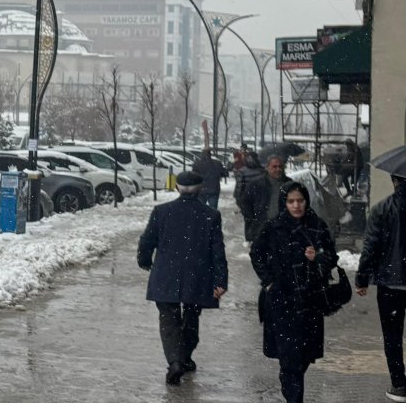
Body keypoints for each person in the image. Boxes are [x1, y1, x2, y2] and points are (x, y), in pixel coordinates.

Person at [137, 171, 228, 386]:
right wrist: (220, 280)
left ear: (177, 188)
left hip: (166, 273)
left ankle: (175, 361)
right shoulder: (210, 215)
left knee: (168, 319)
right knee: (191, 316)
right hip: (197, 275)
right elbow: (218, 251)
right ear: (200, 189)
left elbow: (147, 240)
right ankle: (185, 356)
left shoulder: (162, 211)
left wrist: (145, 261)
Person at [250, 182, 336, 403]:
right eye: (291, 201)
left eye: (300, 200)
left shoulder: (317, 225)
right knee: (290, 358)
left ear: (306, 201)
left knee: (303, 356)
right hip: (282, 300)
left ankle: (290, 384)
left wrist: (317, 257)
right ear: (284, 203)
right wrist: (269, 281)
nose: (296, 205)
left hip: (310, 301)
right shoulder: (274, 227)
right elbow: (256, 253)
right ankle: (294, 398)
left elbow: (332, 257)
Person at [355, 146, 406, 402]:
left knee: (393, 336)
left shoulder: (381, 210)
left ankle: (399, 384)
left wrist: (362, 278)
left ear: (394, 179)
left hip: (390, 284)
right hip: (393, 281)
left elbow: (371, 247)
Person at [237, 154, 290, 243]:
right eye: (274, 167)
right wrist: (253, 220)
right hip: (261, 230)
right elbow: (245, 203)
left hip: (283, 230)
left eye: (280, 166)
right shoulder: (256, 185)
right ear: (267, 167)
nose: (278, 169)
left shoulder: (289, 184)